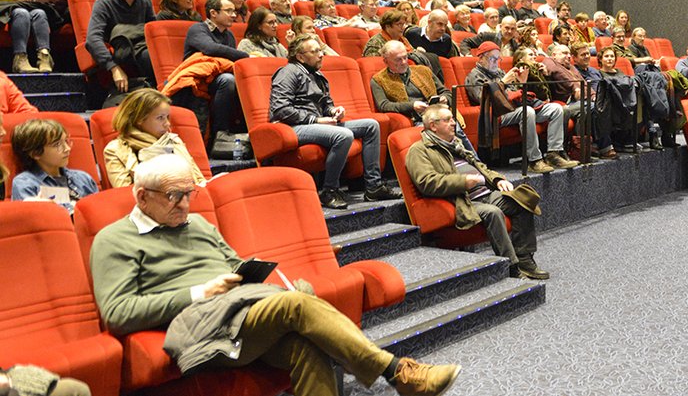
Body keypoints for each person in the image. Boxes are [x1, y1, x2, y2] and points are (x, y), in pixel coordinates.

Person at [89, 153, 461, 396]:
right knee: (298, 306)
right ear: (141, 197)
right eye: (174, 196)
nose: (185, 204)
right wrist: (199, 292)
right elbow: (119, 313)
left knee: (307, 346)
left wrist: (247, 272)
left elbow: (231, 263)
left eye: (189, 193)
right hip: (199, 324)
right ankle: (398, 372)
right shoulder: (114, 240)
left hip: (243, 310)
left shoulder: (197, 224)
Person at [407, 104, 549, 280]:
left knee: (522, 198)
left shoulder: (455, 144)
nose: (453, 123)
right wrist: (463, 182)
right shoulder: (419, 150)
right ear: (432, 125)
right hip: (461, 200)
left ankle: (525, 259)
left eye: (453, 119)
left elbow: (480, 166)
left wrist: (498, 179)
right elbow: (427, 183)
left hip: (485, 193)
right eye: (448, 120)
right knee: (493, 213)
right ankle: (512, 267)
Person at [270, 34, 403, 209]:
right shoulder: (288, 72)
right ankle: (329, 190)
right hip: (293, 126)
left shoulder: (317, 74)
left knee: (371, 125)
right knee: (344, 135)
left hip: (316, 124)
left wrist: (334, 111)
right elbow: (280, 109)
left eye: (320, 50)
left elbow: (326, 104)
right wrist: (316, 119)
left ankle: (373, 186)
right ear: (300, 57)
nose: (320, 54)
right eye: (315, 51)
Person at [465, 41, 577, 173]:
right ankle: (534, 160)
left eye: (498, 59)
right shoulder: (474, 76)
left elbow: (515, 92)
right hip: (498, 114)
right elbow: (483, 99)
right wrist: (503, 83)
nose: (496, 62)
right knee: (527, 111)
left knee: (556, 109)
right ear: (481, 58)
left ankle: (553, 154)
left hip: (515, 107)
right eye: (492, 59)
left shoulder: (499, 72)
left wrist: (522, 83)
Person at [103, 87, 206, 187]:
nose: (167, 124)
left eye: (167, 117)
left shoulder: (174, 140)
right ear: (139, 119)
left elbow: (199, 179)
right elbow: (125, 195)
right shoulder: (114, 150)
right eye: (160, 118)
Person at [182, 0, 248, 137]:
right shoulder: (198, 29)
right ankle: (220, 133)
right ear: (213, 13)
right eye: (229, 11)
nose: (234, 15)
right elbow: (210, 48)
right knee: (228, 80)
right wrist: (246, 55)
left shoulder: (228, 35)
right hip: (198, 80)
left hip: (216, 76)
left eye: (234, 11)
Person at [8, 118, 99, 212]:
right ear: (36, 153)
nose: (67, 148)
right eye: (57, 145)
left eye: (66, 141)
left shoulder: (83, 178)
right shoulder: (25, 183)